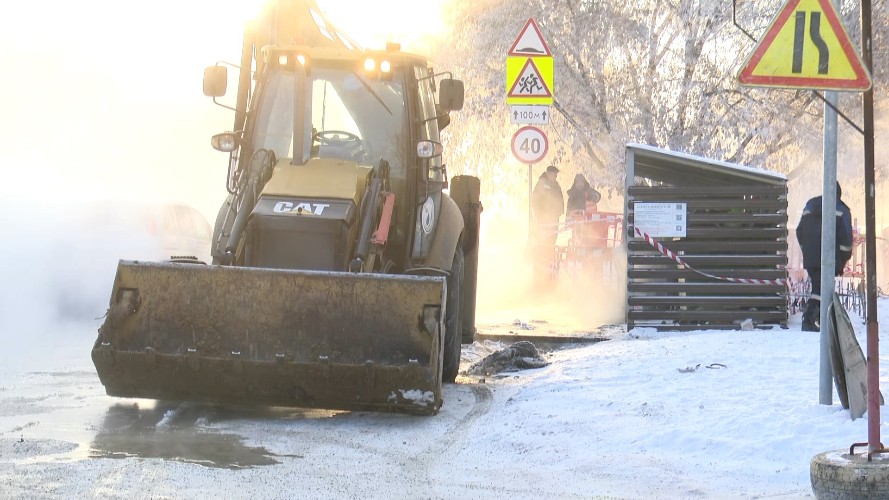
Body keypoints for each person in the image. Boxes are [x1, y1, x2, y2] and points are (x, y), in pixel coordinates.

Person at [795, 182, 853, 332]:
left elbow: (799, 230)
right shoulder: (842, 209)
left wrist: (806, 250)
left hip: (811, 258)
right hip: (830, 258)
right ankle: (809, 318)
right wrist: (842, 260)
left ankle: (821, 319)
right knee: (821, 288)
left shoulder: (810, 205)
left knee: (819, 286)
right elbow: (846, 240)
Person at [530, 165, 564, 284]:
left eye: (556, 174)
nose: (555, 176)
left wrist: (559, 213)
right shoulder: (542, 184)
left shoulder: (556, 185)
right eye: (554, 174)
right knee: (542, 246)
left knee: (550, 244)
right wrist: (541, 215)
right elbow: (535, 200)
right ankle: (539, 275)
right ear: (548, 173)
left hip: (553, 219)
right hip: (543, 220)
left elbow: (560, 200)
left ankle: (549, 274)